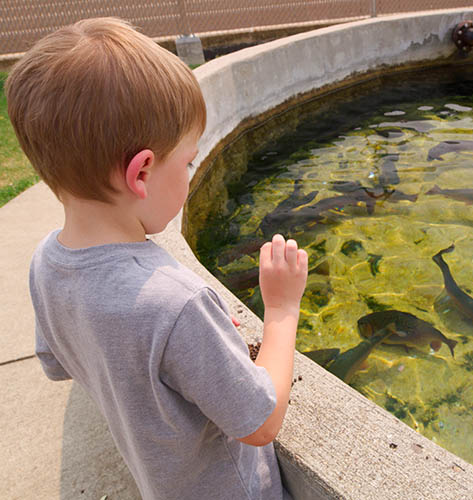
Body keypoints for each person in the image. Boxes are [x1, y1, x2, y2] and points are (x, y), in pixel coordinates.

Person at [6, 17, 308, 500]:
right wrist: (281, 309)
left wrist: (189, 354)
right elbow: (260, 421)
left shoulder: (46, 262)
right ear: (142, 171)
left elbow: (60, 362)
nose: (191, 173)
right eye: (187, 161)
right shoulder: (176, 303)